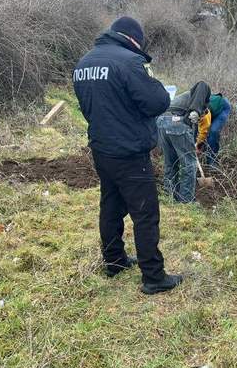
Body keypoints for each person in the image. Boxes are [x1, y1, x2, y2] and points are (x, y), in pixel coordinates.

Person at [73, 16, 183, 295]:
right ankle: (153, 276)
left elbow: (88, 107)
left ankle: (114, 261)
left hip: (101, 149)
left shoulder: (84, 62)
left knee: (110, 206)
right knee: (145, 213)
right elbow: (158, 101)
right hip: (130, 152)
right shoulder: (130, 62)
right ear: (134, 39)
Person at [157, 81, 212, 203]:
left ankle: (170, 197)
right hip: (177, 122)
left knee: (170, 162)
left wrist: (194, 143)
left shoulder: (185, 99)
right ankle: (186, 201)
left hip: (162, 121)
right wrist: (196, 111)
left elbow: (193, 129)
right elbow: (202, 84)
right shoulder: (203, 92)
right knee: (189, 164)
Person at [203, 93, 231, 167]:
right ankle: (207, 155)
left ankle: (212, 161)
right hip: (211, 111)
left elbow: (203, 129)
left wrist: (198, 144)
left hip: (222, 107)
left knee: (213, 131)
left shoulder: (202, 110)